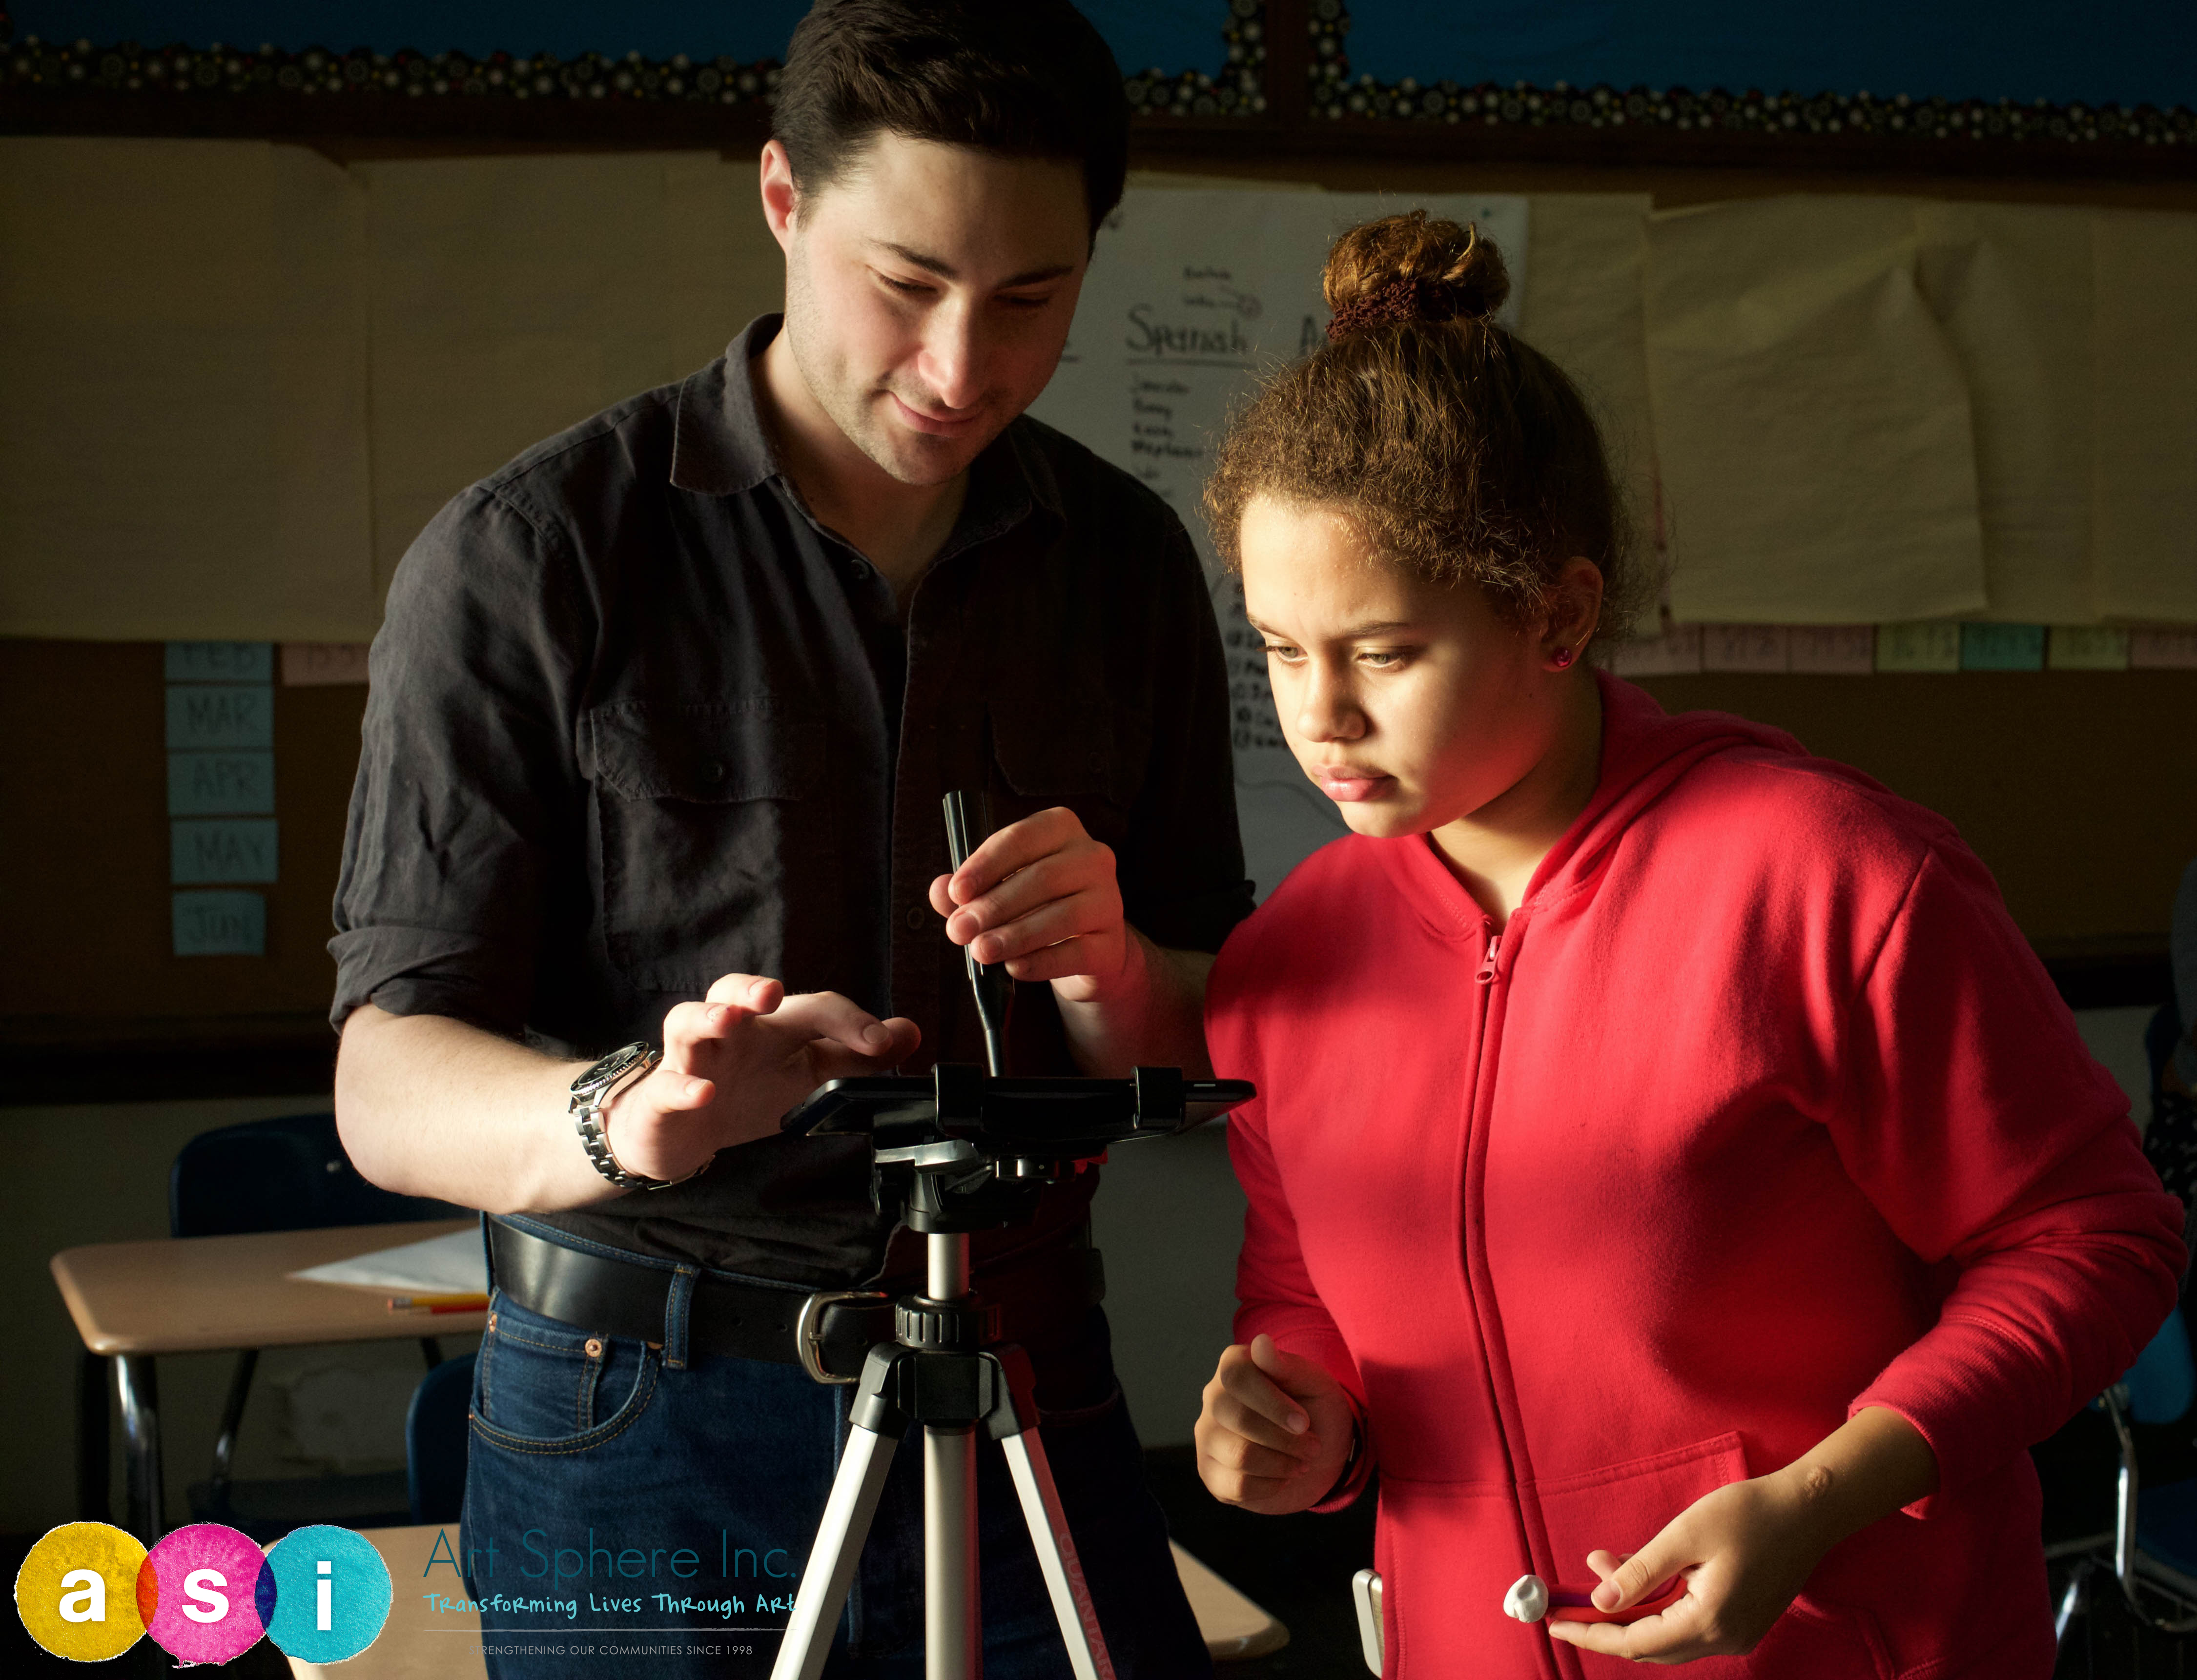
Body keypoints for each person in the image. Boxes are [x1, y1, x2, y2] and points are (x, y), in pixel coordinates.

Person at [329, 4, 1247, 1675]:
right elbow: (383, 1082)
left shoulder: (1125, 567)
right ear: (782, 199)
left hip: (1035, 1363)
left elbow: (1201, 1038)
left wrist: (1116, 969)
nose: (964, 368)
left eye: (1032, 300)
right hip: (645, 1408)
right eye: (905, 286)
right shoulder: (534, 559)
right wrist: (630, 1112)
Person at [1188, 211, 2183, 1676]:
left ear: (1560, 613)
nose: (1318, 713)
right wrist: (1296, 1421)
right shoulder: (1289, 963)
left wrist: (1816, 1500)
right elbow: (1304, 1296)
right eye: (1279, 646)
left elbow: (2093, 1238)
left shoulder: (1826, 873)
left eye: (1384, 651)